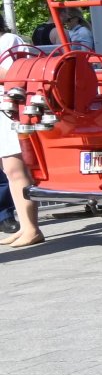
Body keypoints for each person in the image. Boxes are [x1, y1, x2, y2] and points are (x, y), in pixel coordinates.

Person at [0, 19, 42, 247]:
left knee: (16, 170)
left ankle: (31, 227)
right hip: (4, 111)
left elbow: (16, 76)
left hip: (11, 111)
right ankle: (26, 225)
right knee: (9, 171)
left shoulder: (8, 40)